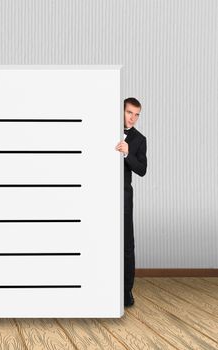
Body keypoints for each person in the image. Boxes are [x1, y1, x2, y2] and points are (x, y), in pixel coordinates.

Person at [115, 97, 147, 307]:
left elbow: (142, 170)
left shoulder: (140, 139)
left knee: (127, 244)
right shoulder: (104, 129)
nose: (133, 118)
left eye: (136, 114)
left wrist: (127, 153)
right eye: (129, 113)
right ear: (122, 111)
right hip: (101, 195)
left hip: (124, 197)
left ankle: (126, 291)